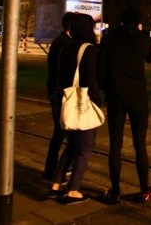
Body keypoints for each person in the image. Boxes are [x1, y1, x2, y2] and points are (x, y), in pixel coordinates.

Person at [98, 6, 151, 205]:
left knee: (116, 145)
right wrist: (143, 34)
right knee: (139, 144)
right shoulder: (143, 39)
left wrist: (107, 90)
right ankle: (143, 189)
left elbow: (101, 72)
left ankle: (115, 191)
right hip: (138, 98)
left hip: (116, 98)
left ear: (121, 21)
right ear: (137, 22)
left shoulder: (108, 40)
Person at [49, 13, 102, 205]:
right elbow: (89, 81)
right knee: (85, 148)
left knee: (72, 145)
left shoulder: (66, 47)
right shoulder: (88, 49)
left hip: (63, 102)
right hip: (80, 104)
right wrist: (96, 103)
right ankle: (73, 190)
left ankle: (55, 185)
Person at [42, 11, 75, 183]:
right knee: (65, 134)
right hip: (61, 93)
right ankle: (56, 171)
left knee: (60, 132)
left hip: (55, 90)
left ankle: (52, 168)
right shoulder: (65, 44)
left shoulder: (59, 41)